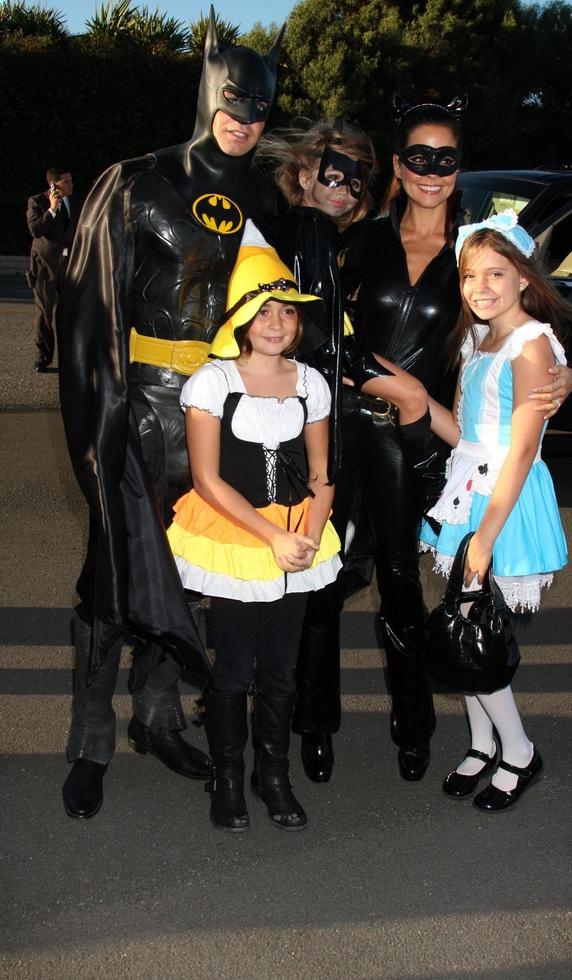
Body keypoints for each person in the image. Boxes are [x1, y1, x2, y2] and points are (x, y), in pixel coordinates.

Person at [56, 9, 285, 819]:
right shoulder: (140, 179)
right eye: (232, 103)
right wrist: (100, 416)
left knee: (188, 570)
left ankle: (155, 715)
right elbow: (92, 308)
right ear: (207, 94)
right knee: (113, 574)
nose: (243, 120)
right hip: (140, 409)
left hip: (216, 416)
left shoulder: (269, 192)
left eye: (258, 110)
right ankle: (91, 736)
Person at [335, 97, 572, 782]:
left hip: (476, 479)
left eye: (445, 159)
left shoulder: (482, 265)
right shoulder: (373, 247)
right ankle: (468, 739)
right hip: (419, 459)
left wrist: (563, 373)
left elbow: (523, 382)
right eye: (419, 157)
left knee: (462, 610)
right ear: (398, 164)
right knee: (431, 602)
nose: (432, 171)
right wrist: (405, 392)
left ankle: (503, 748)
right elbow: (456, 407)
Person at [264, 120, 440, 781]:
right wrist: (401, 387)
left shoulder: (346, 240)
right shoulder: (297, 232)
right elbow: (317, 344)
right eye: (330, 175)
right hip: (319, 432)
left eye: (354, 180)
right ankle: (337, 727)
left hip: (356, 429)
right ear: (304, 174)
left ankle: (340, 728)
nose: (342, 189)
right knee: (332, 579)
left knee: (358, 577)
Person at [167, 225, 342, 832]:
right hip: (237, 538)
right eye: (261, 310)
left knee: (281, 669)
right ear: (239, 319)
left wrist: (310, 536)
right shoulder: (214, 383)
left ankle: (274, 775)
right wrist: (271, 538)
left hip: (298, 539)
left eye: (286, 311)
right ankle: (226, 776)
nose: (275, 322)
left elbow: (323, 473)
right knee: (232, 667)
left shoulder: (311, 383)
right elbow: (208, 480)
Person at [420, 210, 572, 810]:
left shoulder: (532, 345)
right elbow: (462, 432)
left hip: (502, 503)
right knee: (464, 623)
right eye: (469, 276)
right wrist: (416, 398)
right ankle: (482, 740)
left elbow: (523, 449)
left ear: (524, 280)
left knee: (479, 627)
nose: (481, 288)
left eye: (496, 274)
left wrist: (484, 537)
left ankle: (519, 749)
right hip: (468, 486)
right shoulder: (476, 338)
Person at [26, 167, 80, 371]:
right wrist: (51, 208)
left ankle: (72, 356)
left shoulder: (76, 203)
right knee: (44, 313)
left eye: (71, 180)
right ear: (53, 185)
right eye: (66, 182)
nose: (71, 184)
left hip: (70, 266)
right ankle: (44, 355)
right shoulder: (37, 202)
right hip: (44, 266)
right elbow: (35, 230)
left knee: (72, 312)